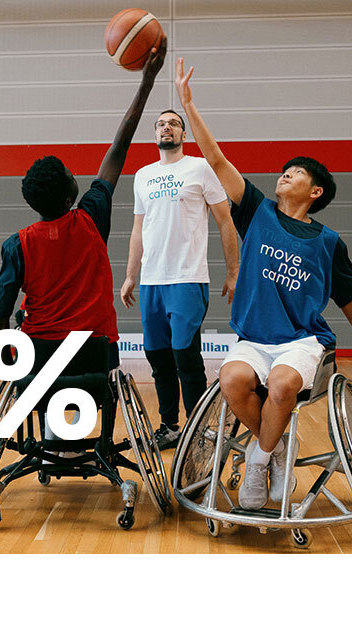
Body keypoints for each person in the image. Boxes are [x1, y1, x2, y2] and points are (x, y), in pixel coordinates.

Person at [174, 58, 352, 510]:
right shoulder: (256, 211)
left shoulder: (328, 242)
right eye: (285, 170)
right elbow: (216, 159)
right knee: (233, 382)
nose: (285, 173)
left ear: (315, 192)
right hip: (253, 338)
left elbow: (347, 297)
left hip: (301, 341)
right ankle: (277, 448)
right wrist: (189, 104)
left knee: (279, 387)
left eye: (297, 173)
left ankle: (259, 459)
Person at [0, 39, 167, 436]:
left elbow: (0, 315)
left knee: (34, 356)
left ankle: (52, 428)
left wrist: (6, 355)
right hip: (95, 354)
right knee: (90, 371)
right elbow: (119, 147)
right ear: (72, 195)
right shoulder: (90, 219)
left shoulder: (17, 244)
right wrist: (147, 81)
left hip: (41, 356)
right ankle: (72, 428)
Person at [120, 109, 238, 450]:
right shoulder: (142, 175)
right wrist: (131, 275)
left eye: (173, 123)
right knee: (158, 358)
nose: (165, 127)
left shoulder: (199, 168)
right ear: (154, 133)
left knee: (186, 355)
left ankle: (199, 430)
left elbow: (225, 221)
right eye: (160, 124)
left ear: (182, 134)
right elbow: (138, 229)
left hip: (188, 279)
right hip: (152, 282)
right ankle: (170, 426)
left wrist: (233, 272)